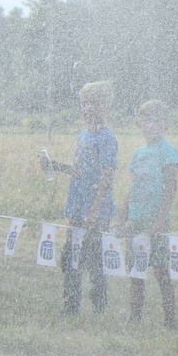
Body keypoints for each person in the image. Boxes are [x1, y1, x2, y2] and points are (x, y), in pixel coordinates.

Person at [41, 81, 118, 315]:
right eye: (84, 103)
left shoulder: (107, 139)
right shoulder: (83, 135)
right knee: (71, 256)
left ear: (106, 107)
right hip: (76, 206)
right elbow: (79, 171)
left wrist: (94, 211)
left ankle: (98, 307)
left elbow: (106, 178)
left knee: (94, 260)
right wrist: (53, 165)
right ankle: (70, 306)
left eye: (93, 103)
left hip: (96, 210)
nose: (88, 108)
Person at [117, 100, 178, 328]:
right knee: (136, 269)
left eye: (154, 120)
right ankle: (135, 316)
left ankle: (170, 319)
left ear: (164, 125)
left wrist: (160, 220)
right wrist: (122, 217)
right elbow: (132, 188)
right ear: (139, 124)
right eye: (145, 120)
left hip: (156, 221)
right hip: (135, 219)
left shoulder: (168, 152)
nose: (149, 125)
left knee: (162, 271)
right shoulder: (139, 153)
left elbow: (171, 189)